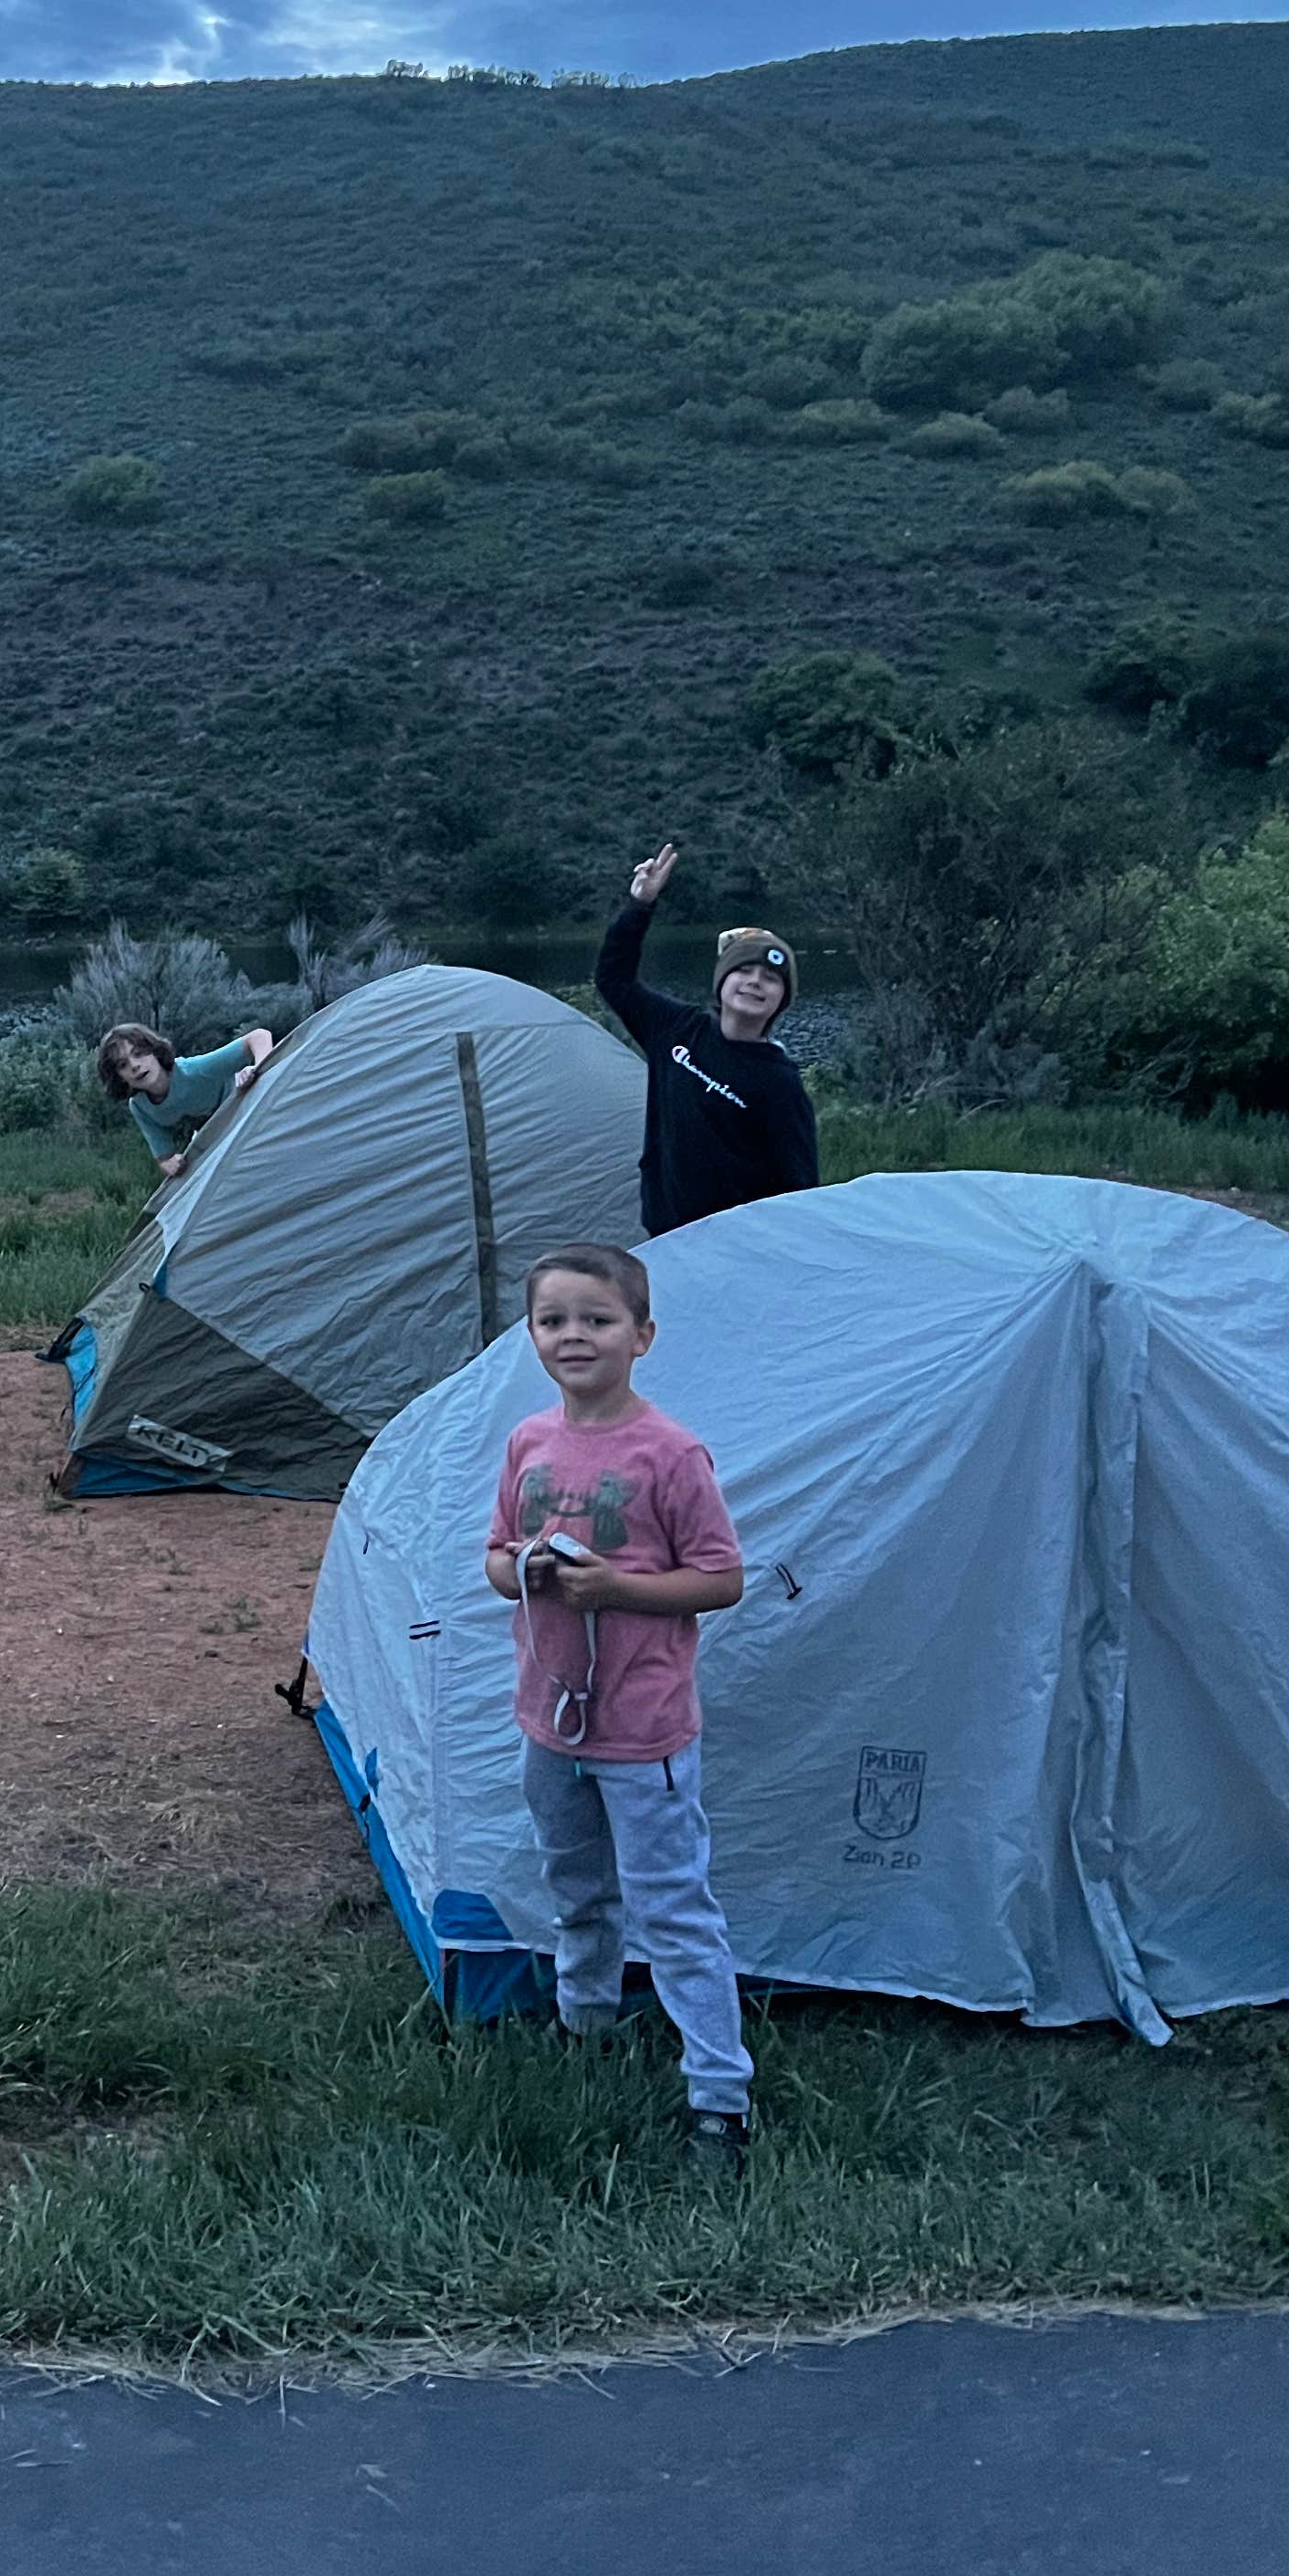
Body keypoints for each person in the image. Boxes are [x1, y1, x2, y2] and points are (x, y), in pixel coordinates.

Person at [485, 1243, 753, 2163]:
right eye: (553, 1320)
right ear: (531, 1336)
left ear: (642, 1336)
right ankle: (585, 2024)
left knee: (672, 1910)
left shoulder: (670, 1455)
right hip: (550, 1721)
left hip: (644, 1733)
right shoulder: (528, 1443)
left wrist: (617, 1591)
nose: (574, 1336)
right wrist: (526, 1570)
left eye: (597, 1320)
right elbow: (495, 1558)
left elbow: (722, 1580)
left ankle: (719, 2096)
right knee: (577, 1889)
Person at [594, 842, 817, 1237]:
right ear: (722, 981)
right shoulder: (677, 1027)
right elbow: (614, 978)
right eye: (744, 970)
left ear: (782, 1000)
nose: (755, 982)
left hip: (735, 1243)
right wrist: (640, 906)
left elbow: (799, 1185)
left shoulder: (780, 1081)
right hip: (664, 1230)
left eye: (770, 978)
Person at [97, 1020, 274, 1178]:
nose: (134, 1065)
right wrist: (169, 1164)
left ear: (155, 1052)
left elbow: (258, 1037)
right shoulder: (140, 1106)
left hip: (251, 1110)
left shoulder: (193, 1071)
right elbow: (164, 1157)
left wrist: (260, 1071)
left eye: (139, 1053)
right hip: (218, 1140)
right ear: (119, 1077)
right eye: (123, 1065)